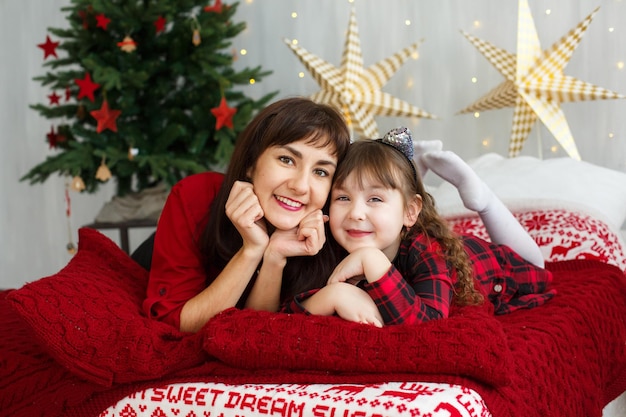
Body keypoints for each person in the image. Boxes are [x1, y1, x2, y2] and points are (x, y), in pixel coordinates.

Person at [282, 127, 555, 326]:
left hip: (498, 268)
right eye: (342, 198)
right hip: (408, 227)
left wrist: (372, 260)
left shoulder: (427, 251)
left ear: (411, 212)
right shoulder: (333, 240)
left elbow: (429, 324)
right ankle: (408, 178)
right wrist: (331, 295)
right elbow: (284, 315)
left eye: (374, 198)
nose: (355, 213)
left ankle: (483, 199)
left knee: (539, 267)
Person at [142, 97, 351, 332]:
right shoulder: (196, 196)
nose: (301, 186)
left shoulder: (335, 225)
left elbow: (257, 336)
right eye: (286, 159)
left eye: (321, 172)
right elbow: (174, 324)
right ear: (251, 163)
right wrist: (251, 250)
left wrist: (274, 256)